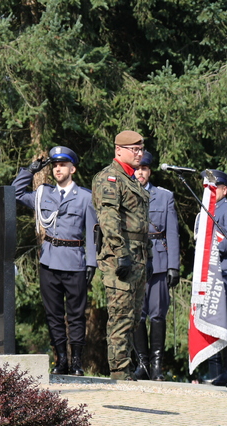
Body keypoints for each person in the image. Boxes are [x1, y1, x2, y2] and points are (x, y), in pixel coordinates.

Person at [11, 146, 97, 376]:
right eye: (55, 165)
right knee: (54, 314)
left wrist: (91, 262)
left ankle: (76, 362)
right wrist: (29, 171)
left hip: (75, 262)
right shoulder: (43, 194)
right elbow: (15, 193)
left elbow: (92, 232)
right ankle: (61, 360)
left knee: (76, 315)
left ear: (72, 169)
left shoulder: (86, 197)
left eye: (62, 165)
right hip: (49, 262)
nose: (58, 169)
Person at [91, 130, 150, 380]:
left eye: (140, 149)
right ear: (118, 150)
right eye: (133, 149)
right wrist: (120, 253)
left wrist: (143, 256)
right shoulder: (110, 178)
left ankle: (125, 368)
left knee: (133, 317)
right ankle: (119, 372)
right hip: (120, 256)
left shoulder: (132, 180)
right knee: (121, 316)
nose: (139, 153)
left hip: (138, 255)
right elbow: (109, 218)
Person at [132, 152, 180, 381]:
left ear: (149, 171)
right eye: (136, 169)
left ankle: (157, 366)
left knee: (157, 315)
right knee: (138, 315)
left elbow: (172, 232)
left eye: (144, 169)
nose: (140, 173)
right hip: (134, 260)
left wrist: (174, 266)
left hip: (159, 261)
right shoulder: (124, 193)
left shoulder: (164, 196)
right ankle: (142, 364)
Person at [197, 169, 227, 387]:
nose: (209, 191)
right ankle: (216, 371)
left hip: (225, 272)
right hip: (207, 274)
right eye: (206, 187)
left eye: (213, 187)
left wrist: (214, 249)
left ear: (223, 190)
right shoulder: (203, 211)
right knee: (212, 322)